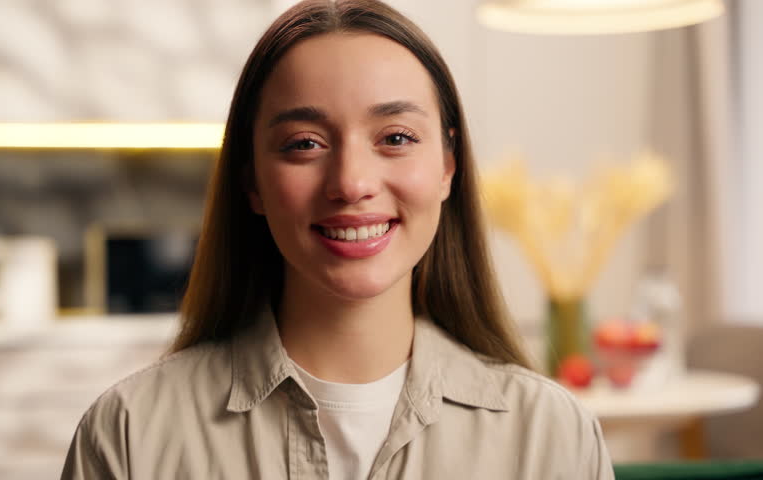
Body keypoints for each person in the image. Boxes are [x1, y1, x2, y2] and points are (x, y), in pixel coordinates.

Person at [61, 0, 614, 478]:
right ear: (251, 178)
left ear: (448, 165)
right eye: (304, 143)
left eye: (395, 137)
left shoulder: (551, 437)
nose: (351, 183)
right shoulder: (128, 436)